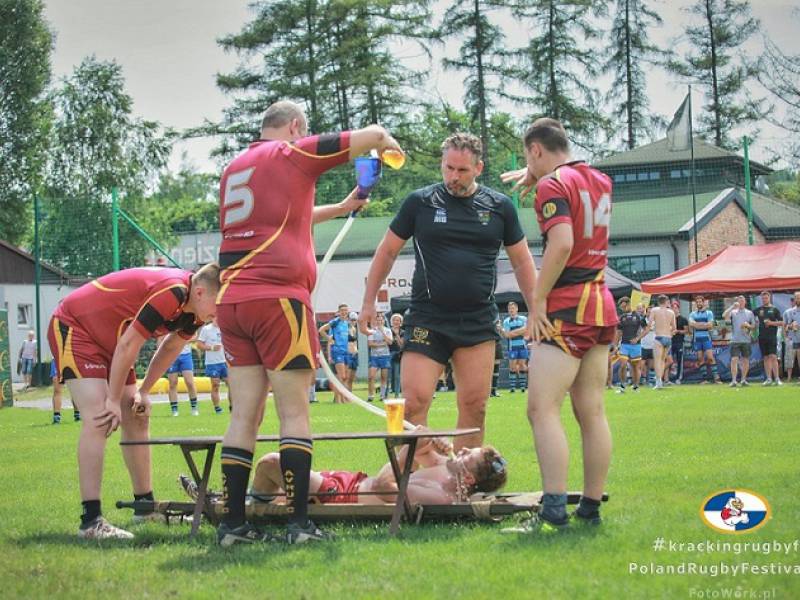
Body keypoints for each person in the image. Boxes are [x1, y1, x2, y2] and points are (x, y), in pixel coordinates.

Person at [215, 100, 403, 546]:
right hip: (278, 297)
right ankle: (300, 526)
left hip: (232, 299)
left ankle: (232, 525)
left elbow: (284, 216)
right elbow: (373, 135)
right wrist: (390, 148)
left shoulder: (235, 168)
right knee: (294, 412)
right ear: (296, 127)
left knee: (244, 415)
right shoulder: (290, 153)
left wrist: (341, 206)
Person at [359, 132, 537, 451]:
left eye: (462, 170)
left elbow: (523, 262)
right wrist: (369, 300)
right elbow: (386, 251)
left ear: (479, 168)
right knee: (412, 405)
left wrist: (536, 309)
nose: (453, 177)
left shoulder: (499, 207)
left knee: (474, 408)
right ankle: (415, 482)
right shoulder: (420, 202)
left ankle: (461, 483)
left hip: (477, 322)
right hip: (428, 318)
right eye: (448, 168)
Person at [499, 118, 618, 533]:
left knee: (541, 409)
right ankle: (589, 507)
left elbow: (563, 242)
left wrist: (538, 300)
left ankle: (552, 509)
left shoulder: (553, 185)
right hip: (601, 301)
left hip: (568, 304)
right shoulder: (600, 179)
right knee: (592, 411)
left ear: (534, 150)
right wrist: (539, 174)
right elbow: (574, 197)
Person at [47, 264, 219, 539]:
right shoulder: (172, 291)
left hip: (112, 343)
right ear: (199, 292)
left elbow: (171, 347)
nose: (219, 314)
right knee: (99, 417)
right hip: (75, 328)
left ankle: (145, 507)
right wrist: (113, 399)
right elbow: (129, 345)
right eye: (218, 304)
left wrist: (145, 391)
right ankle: (90, 523)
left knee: (138, 415)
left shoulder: (195, 312)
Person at [181, 432, 508, 507]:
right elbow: (419, 451)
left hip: (344, 496)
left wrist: (406, 444)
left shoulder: (440, 497)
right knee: (283, 479)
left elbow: (385, 485)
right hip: (350, 482)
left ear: (467, 478)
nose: (462, 448)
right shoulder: (446, 470)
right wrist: (423, 438)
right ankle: (233, 502)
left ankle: (242, 507)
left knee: (272, 463)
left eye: (469, 454)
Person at [319, 304, 351, 404]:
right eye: (342, 310)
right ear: (338, 312)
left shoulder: (346, 323)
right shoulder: (335, 322)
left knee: (344, 377)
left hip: (345, 351)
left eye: (346, 310)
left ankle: (341, 398)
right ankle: (339, 399)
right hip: (337, 351)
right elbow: (321, 330)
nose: (344, 312)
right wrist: (329, 340)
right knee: (341, 376)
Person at [196, 317, 229, 413]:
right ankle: (217, 407)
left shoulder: (225, 328)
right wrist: (211, 347)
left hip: (225, 361)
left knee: (231, 384)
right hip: (212, 362)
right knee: (215, 385)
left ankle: (233, 406)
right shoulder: (206, 329)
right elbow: (199, 344)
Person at [723, 296, 756, 387]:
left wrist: (748, 326)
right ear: (737, 302)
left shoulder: (749, 313)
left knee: (745, 360)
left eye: (742, 301)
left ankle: (743, 380)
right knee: (734, 359)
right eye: (739, 301)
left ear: (745, 302)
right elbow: (724, 315)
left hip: (746, 340)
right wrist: (732, 307)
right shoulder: (733, 312)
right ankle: (733, 380)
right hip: (735, 340)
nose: (741, 302)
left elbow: (753, 326)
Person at [689, 295, 721, 384]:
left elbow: (710, 325)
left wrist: (697, 324)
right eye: (697, 302)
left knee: (710, 357)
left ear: (703, 302)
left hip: (706, 338)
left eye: (700, 302)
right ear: (696, 304)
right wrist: (704, 324)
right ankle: (704, 379)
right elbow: (691, 324)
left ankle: (717, 379)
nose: (699, 303)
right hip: (697, 339)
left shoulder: (709, 313)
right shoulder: (692, 314)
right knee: (700, 359)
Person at [754, 291, 783, 386]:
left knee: (773, 357)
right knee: (765, 358)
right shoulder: (758, 310)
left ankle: (777, 379)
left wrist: (771, 323)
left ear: (769, 298)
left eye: (766, 298)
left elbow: (782, 322)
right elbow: (749, 317)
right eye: (763, 298)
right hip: (762, 337)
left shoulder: (774, 309)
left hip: (772, 337)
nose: (764, 300)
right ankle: (769, 379)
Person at [615, 300, 645, 393]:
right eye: (622, 307)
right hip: (624, 344)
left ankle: (636, 386)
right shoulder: (622, 317)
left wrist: (637, 338)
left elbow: (646, 329)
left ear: (628, 305)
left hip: (636, 345)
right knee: (623, 365)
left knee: (635, 367)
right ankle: (622, 386)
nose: (623, 309)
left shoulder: (638, 316)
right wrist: (616, 345)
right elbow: (619, 332)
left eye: (624, 306)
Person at [164, 339, 198, 416]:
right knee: (172, 383)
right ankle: (174, 410)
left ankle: (194, 408)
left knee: (189, 382)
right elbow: (161, 339)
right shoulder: (169, 326)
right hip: (171, 355)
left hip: (186, 355)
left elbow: (195, 336)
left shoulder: (189, 326)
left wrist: (184, 339)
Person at [501, 301, 529, 392]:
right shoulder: (506, 321)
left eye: (513, 308)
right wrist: (520, 331)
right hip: (512, 347)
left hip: (522, 346)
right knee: (512, 367)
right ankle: (512, 388)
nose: (511, 310)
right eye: (509, 309)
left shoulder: (523, 319)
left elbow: (526, 331)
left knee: (522, 365)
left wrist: (512, 333)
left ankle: (523, 388)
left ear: (517, 309)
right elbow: (507, 335)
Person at [649, 295, 676, 389]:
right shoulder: (671, 312)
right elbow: (674, 328)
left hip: (659, 337)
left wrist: (652, 327)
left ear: (658, 302)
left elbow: (650, 324)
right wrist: (670, 334)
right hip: (668, 338)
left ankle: (658, 382)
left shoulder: (654, 310)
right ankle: (659, 380)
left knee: (657, 360)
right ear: (666, 301)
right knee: (663, 360)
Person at [366, 312, 393, 402]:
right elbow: (370, 344)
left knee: (384, 377)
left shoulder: (388, 330)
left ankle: (382, 395)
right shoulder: (371, 331)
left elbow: (390, 342)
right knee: (371, 376)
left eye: (381, 320)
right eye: (378, 320)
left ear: (383, 321)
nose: (379, 322)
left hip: (385, 356)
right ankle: (371, 395)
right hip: (374, 356)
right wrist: (382, 343)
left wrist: (382, 332)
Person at [51, 359, 81, 424]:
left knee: (75, 390)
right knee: (57, 390)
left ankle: (78, 415)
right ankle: (56, 417)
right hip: (58, 360)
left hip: (72, 359)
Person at [670, 300, 689, 384]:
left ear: (678, 308)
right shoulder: (669, 319)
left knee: (679, 360)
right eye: (672, 308)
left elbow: (687, 331)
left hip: (679, 342)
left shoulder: (683, 319)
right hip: (670, 341)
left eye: (675, 308)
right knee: (669, 360)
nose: (674, 309)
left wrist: (678, 331)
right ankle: (668, 378)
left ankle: (678, 378)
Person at [783, 292, 800, 383]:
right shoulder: (788, 312)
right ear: (794, 299)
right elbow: (784, 326)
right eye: (796, 298)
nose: (798, 300)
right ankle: (789, 378)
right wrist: (790, 328)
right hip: (791, 339)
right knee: (789, 359)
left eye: (799, 298)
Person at [388, 313, 404, 398]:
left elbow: (401, 344)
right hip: (389, 353)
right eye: (394, 320)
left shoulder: (403, 332)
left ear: (400, 322)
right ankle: (385, 394)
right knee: (388, 375)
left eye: (398, 320)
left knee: (397, 376)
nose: (396, 322)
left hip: (398, 354)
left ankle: (397, 394)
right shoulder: (387, 331)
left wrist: (396, 334)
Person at [639, 307, 656, 386]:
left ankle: (648, 380)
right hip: (644, 345)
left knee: (650, 365)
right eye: (648, 312)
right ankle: (640, 379)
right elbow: (646, 329)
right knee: (642, 364)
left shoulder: (656, 320)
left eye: (651, 312)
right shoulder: (643, 320)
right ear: (646, 312)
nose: (650, 313)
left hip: (653, 345)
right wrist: (651, 328)